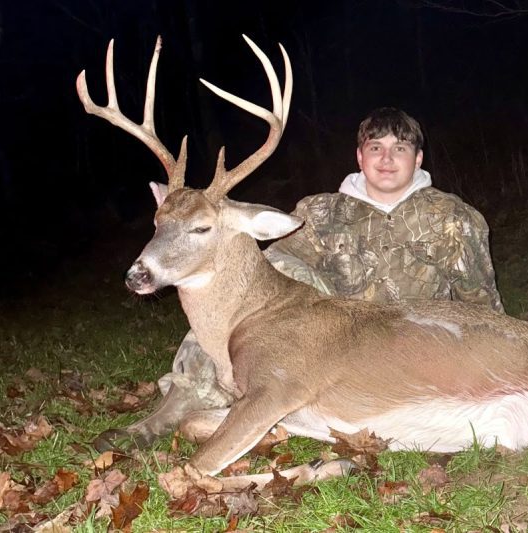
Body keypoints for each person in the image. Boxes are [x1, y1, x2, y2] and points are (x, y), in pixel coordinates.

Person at [105, 108, 503, 448]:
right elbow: (261, 272)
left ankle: (264, 406)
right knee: (252, 277)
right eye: (375, 148)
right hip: (328, 344)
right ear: (359, 156)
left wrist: (491, 356)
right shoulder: (321, 213)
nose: (386, 158)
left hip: (408, 344)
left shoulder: (453, 218)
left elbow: (480, 300)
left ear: (417, 159)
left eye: (400, 149)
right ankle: (182, 404)